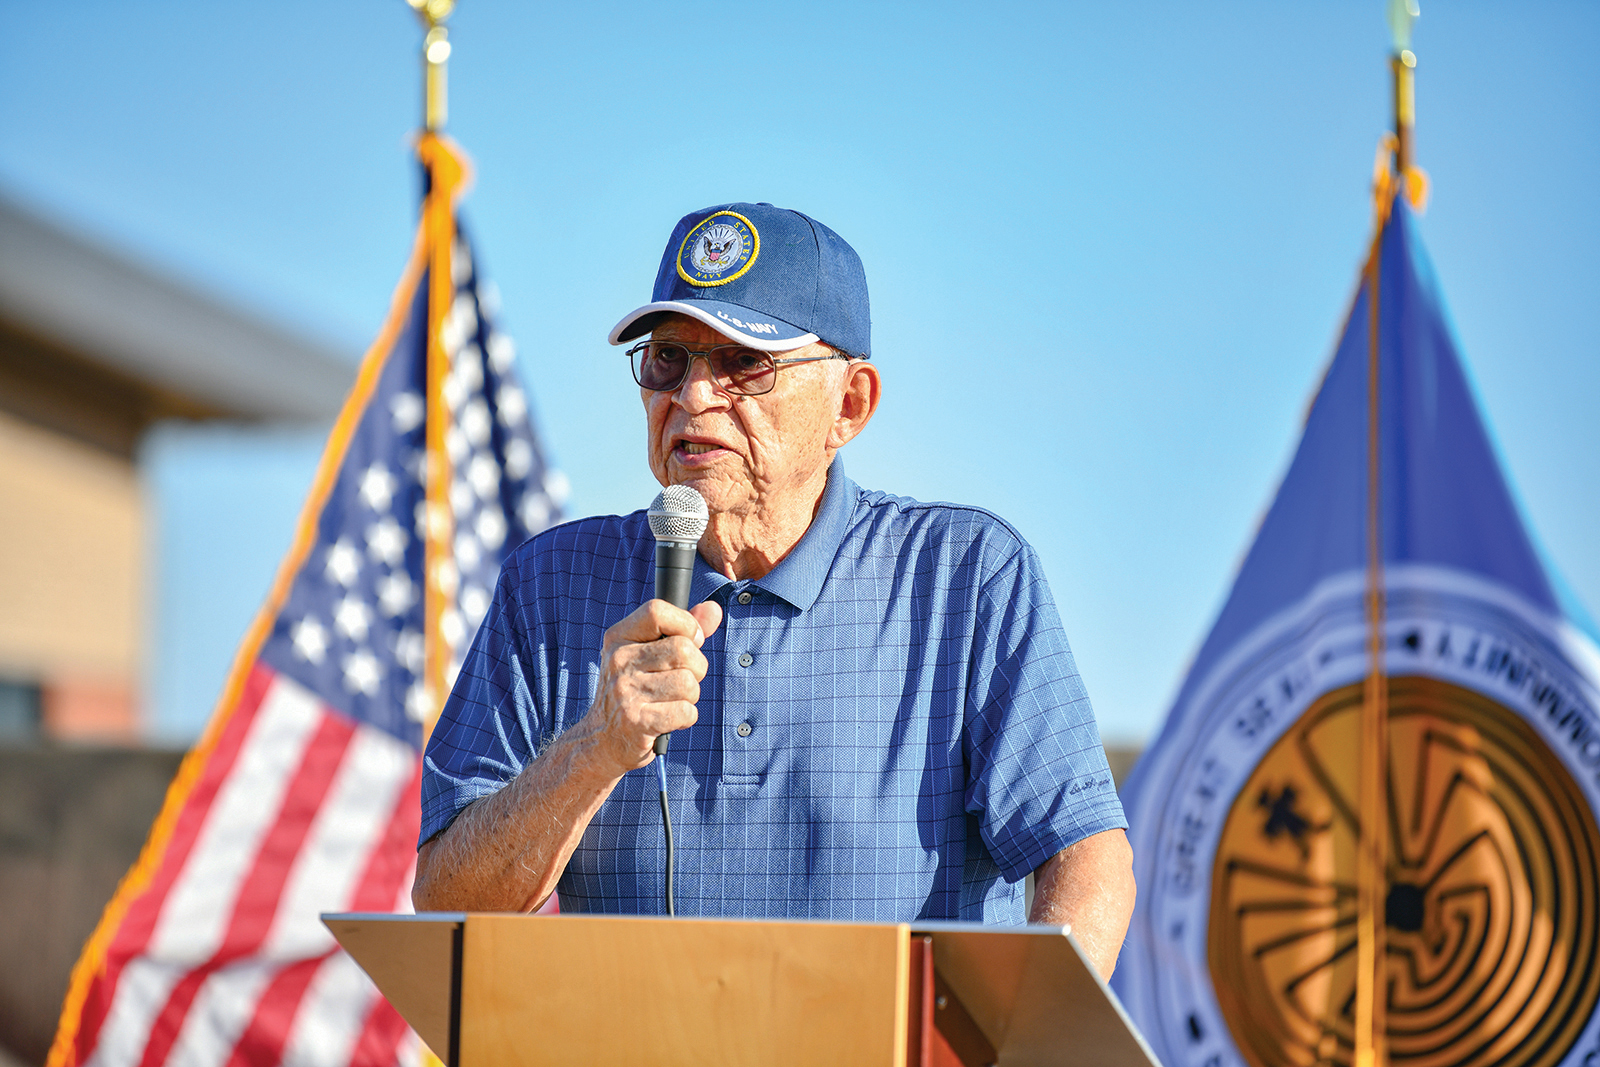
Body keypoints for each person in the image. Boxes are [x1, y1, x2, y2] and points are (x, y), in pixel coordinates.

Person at [412, 202, 1135, 977]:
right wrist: (595, 747)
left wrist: (1025, 1044)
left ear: (849, 405)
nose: (692, 397)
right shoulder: (550, 583)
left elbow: (1089, 863)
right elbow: (449, 898)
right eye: (668, 360)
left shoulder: (967, 577)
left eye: (742, 363)